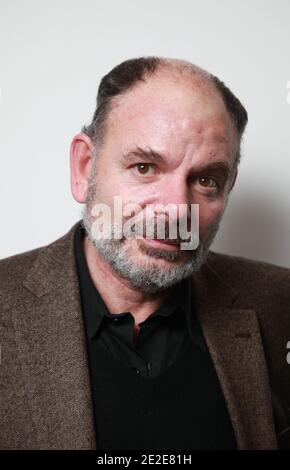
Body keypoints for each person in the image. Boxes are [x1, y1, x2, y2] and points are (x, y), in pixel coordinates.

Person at [0, 56, 289, 450]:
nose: (173, 210)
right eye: (144, 167)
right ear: (85, 168)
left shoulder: (279, 302)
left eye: (206, 180)